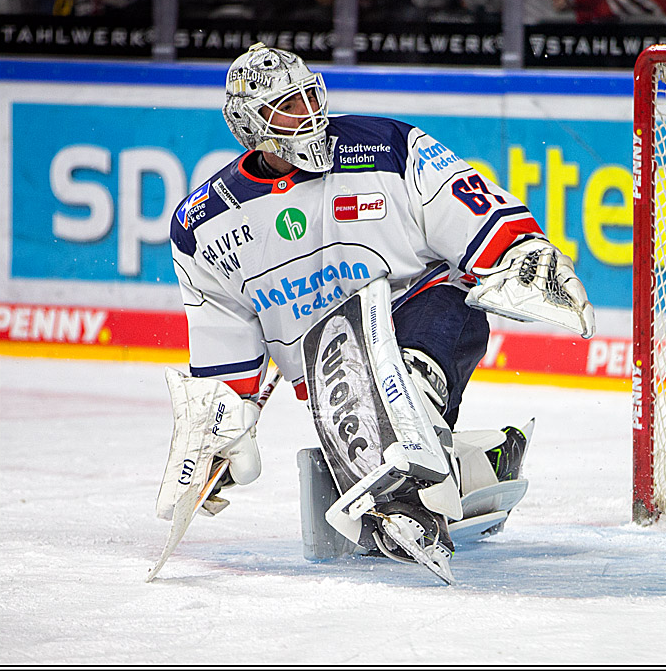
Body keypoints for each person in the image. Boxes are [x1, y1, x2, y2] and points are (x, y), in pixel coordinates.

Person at [159, 43, 594, 577]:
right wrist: (218, 432)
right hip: (334, 379)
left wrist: (520, 250)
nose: (308, 113)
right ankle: (483, 463)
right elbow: (223, 346)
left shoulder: (386, 146)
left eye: (309, 96)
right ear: (249, 124)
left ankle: (411, 490)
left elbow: (466, 204)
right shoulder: (202, 226)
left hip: (427, 312)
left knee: (410, 381)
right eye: (287, 106)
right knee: (379, 443)